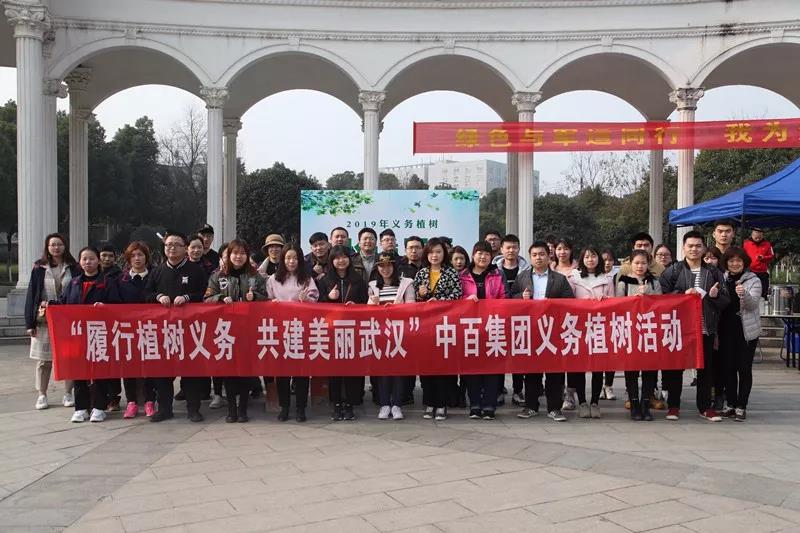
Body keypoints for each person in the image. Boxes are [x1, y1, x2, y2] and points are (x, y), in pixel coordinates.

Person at [660, 230, 729, 422]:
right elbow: (661, 297)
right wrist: (681, 295)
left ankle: (705, 407)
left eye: (698, 246)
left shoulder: (713, 272)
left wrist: (715, 296)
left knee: (705, 369)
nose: (694, 249)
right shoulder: (673, 270)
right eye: (690, 246)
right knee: (676, 368)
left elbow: (726, 300)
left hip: (705, 328)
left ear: (704, 248)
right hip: (679, 329)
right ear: (683, 248)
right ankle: (673, 406)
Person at [145, 231, 209, 423]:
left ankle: (193, 409)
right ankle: (165, 409)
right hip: (163, 330)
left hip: (190, 329)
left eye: (176, 244)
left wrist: (188, 297)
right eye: (168, 245)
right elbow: (146, 294)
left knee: (191, 371)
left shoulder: (196, 270)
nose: (171, 248)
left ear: (185, 248)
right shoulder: (157, 271)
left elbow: (205, 294)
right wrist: (158, 297)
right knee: (162, 371)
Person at [511, 240, 574, 422]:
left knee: (555, 372)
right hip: (531, 330)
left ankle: (554, 408)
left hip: (553, 331)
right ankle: (531, 406)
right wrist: (520, 298)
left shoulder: (559, 279)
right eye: (534, 255)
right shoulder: (522, 277)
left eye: (542, 254)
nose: (538, 258)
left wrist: (553, 304)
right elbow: (510, 299)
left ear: (549, 256)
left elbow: (570, 302)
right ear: (530, 258)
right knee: (531, 371)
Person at [206, 239, 267, 423]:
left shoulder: (255, 276)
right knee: (229, 370)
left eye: (242, 253)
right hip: (225, 330)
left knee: (246, 370)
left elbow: (266, 299)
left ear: (247, 256)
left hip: (248, 329)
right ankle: (231, 409)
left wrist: (255, 297)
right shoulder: (218, 276)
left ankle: (243, 409)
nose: (238, 257)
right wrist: (219, 298)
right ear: (229, 255)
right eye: (235, 253)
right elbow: (206, 298)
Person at [62, 246, 121, 423]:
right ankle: (81, 407)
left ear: (98, 261)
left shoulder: (108, 282)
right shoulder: (74, 283)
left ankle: (99, 407)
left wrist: (106, 307)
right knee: (79, 370)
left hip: (100, 333)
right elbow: (64, 304)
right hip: (78, 334)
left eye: (92, 258)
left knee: (100, 371)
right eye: (84, 259)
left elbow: (117, 305)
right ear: (80, 262)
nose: (88, 262)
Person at [25, 233, 79, 410]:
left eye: (59, 244)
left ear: (65, 246)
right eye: (52, 245)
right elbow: (32, 294)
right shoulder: (39, 268)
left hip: (68, 319)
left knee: (69, 357)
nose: (56, 248)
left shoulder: (74, 267)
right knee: (43, 360)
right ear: (47, 248)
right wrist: (29, 323)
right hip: (44, 319)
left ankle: (68, 392)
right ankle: (42, 394)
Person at [266, 243, 319, 422]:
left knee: (301, 372)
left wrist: (307, 300)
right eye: (288, 258)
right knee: (282, 372)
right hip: (280, 330)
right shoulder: (273, 279)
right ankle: (285, 407)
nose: (291, 261)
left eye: (295, 258)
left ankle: (301, 408)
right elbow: (266, 301)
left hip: (301, 330)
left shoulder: (306, 279)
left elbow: (315, 300)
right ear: (282, 259)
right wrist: (271, 303)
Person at [413, 237, 463, 420]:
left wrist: (438, 301)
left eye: (438, 252)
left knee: (443, 367)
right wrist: (420, 294)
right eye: (431, 252)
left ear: (444, 254)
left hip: (445, 326)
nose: (434, 255)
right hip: (425, 328)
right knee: (426, 367)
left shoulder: (451, 273)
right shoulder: (421, 273)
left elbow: (457, 295)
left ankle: (441, 404)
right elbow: (414, 299)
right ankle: (429, 403)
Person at [319, 245, 367, 421]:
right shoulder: (325, 280)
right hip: (332, 332)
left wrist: (357, 307)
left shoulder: (358, 280)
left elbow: (366, 303)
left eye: (344, 257)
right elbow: (316, 306)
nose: (341, 261)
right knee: (334, 370)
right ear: (332, 261)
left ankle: (350, 404)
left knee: (352, 369)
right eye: (337, 258)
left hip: (353, 331)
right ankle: (336, 403)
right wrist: (328, 298)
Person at [566, 245, 615, 418]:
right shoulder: (574, 277)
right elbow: (568, 301)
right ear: (582, 259)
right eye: (586, 257)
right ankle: (582, 402)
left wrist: (606, 299)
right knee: (579, 367)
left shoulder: (607, 278)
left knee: (598, 367)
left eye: (593, 256)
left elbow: (614, 302)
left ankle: (595, 402)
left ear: (598, 259)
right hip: (579, 327)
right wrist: (583, 302)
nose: (590, 260)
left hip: (599, 326)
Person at [460, 241, 506, 420]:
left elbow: (504, 297)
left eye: (487, 254)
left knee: (492, 368)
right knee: (472, 368)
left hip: (492, 325)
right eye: (479, 253)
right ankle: (475, 404)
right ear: (473, 255)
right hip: (470, 327)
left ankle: (489, 405)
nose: (483, 257)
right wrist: (466, 300)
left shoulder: (497, 274)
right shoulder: (463, 275)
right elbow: (455, 298)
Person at [616, 249, 662, 421]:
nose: (640, 266)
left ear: (648, 264)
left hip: (649, 329)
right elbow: (618, 304)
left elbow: (661, 304)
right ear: (630, 264)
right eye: (636, 263)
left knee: (649, 368)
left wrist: (648, 296)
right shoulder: (624, 281)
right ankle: (634, 403)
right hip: (631, 329)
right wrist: (634, 299)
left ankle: (645, 403)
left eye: (643, 263)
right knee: (631, 369)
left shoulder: (654, 282)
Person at [368, 253, 415, 420]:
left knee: (398, 371)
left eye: (389, 265)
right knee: (382, 371)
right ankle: (384, 404)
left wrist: (397, 307)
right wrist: (372, 304)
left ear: (394, 266)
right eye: (381, 265)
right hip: (380, 334)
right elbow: (366, 311)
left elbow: (412, 307)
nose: (385, 269)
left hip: (400, 333)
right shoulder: (373, 285)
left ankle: (397, 405)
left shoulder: (406, 283)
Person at [719, 247, 762, 422]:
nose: (735, 264)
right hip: (725, 330)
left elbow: (753, 305)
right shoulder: (722, 279)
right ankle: (730, 403)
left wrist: (744, 295)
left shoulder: (753, 280)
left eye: (738, 260)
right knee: (728, 368)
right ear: (726, 263)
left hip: (746, 332)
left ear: (744, 263)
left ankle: (741, 406)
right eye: (731, 261)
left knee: (744, 369)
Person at [118, 241, 157, 419]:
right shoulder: (122, 279)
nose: (137, 258)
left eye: (140, 255)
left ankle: (150, 401)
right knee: (129, 366)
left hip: (151, 328)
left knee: (150, 366)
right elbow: (115, 303)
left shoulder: (155, 276)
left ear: (146, 257)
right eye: (133, 255)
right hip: (128, 329)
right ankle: (131, 402)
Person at [492, 234, 530, 406]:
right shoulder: (494, 270)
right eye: (507, 247)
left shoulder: (527, 270)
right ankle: (499, 390)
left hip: (521, 319)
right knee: (498, 354)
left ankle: (518, 391)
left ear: (519, 249)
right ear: (501, 249)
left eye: (514, 247)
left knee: (518, 357)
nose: (511, 250)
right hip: (498, 319)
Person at [99, 244, 124, 411]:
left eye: (110, 256)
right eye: (104, 255)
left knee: (113, 363)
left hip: (112, 325)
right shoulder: (89, 275)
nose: (107, 259)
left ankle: (114, 397)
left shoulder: (120, 276)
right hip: (94, 326)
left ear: (115, 258)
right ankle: (98, 397)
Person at [599, 248, 619, 400]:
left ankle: (609, 385)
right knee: (599, 355)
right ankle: (599, 386)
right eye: (604, 260)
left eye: (610, 260)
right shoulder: (595, 276)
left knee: (611, 356)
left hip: (612, 320)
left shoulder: (617, 276)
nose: (607, 263)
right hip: (596, 321)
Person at [743, 227, 774, 299]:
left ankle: (763, 303)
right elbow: (741, 256)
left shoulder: (767, 244)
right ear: (752, 234)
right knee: (750, 291)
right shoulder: (746, 244)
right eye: (756, 237)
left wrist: (764, 258)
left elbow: (772, 256)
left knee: (763, 291)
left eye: (759, 237)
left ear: (762, 235)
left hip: (763, 272)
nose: (758, 238)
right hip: (750, 272)